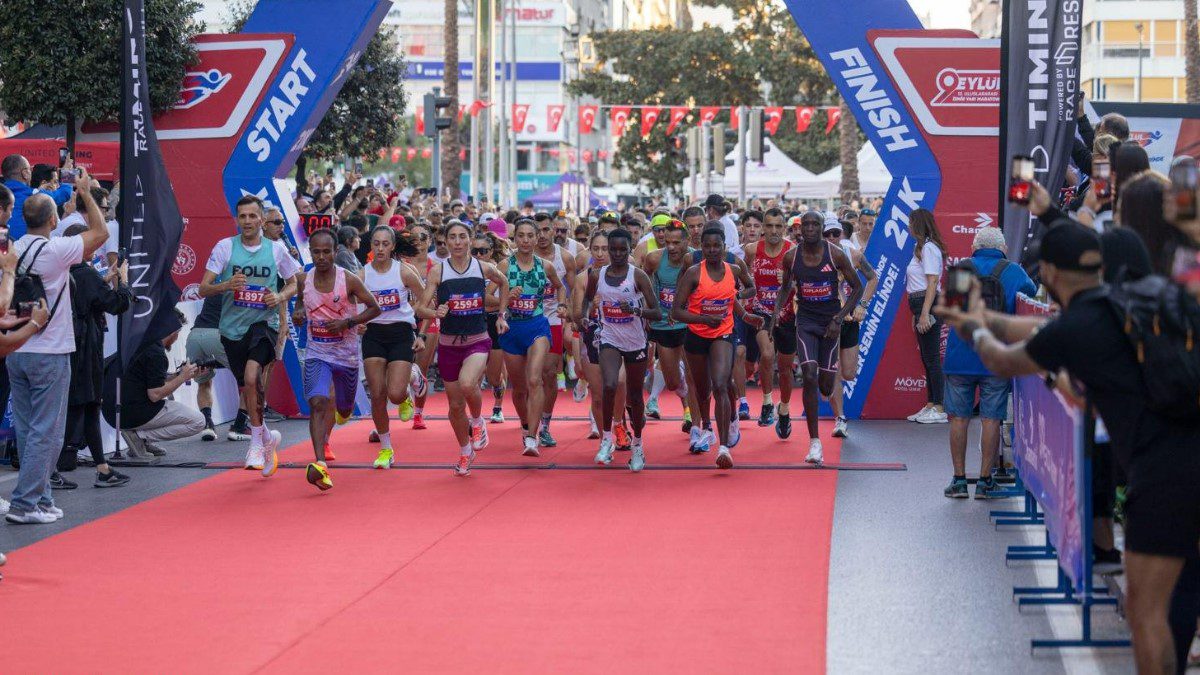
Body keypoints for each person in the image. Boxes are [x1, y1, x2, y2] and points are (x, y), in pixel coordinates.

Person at [936, 221, 1200, 675]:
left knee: (1147, 612)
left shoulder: (1078, 325)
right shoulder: (1131, 300)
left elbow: (1003, 359)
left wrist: (974, 331)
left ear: (1052, 274)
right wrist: (986, 320)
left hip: (1163, 475)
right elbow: (1030, 327)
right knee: (1185, 593)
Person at [5, 174, 106, 525]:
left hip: (16, 347)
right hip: (49, 352)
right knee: (47, 432)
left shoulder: (12, 250)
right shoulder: (56, 250)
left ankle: (42, 498)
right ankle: (24, 503)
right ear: (52, 220)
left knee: (28, 429)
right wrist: (85, 193)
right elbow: (100, 233)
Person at [198, 195, 302, 475]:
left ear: (262, 220)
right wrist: (226, 285)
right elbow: (203, 288)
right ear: (237, 219)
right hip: (232, 329)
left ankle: (255, 445)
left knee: (252, 376)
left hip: (264, 324)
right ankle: (266, 436)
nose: (247, 221)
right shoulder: (225, 247)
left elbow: (294, 283)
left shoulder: (276, 250)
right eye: (242, 216)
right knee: (247, 386)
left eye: (252, 216)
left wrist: (279, 296)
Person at [939, 227, 1035, 499]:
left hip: (960, 356)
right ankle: (984, 482)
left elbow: (952, 312)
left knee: (959, 418)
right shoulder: (1013, 271)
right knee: (991, 419)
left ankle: (959, 481)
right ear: (1003, 248)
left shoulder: (962, 268)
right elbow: (1031, 293)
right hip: (996, 357)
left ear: (974, 247)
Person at [417, 220, 509, 476]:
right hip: (449, 345)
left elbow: (504, 283)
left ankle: (478, 421)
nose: (457, 242)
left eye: (462, 237)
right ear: (446, 242)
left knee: (468, 384)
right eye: (452, 237)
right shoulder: (438, 272)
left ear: (469, 239)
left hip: (478, 340)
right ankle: (465, 451)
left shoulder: (482, 267)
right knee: (456, 406)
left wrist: (502, 315)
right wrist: (436, 312)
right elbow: (421, 308)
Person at [291, 229, 380, 490]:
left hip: (346, 357)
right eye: (316, 252)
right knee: (318, 402)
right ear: (310, 253)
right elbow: (300, 302)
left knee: (344, 407)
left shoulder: (348, 279)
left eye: (326, 252)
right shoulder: (303, 279)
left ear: (335, 251)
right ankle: (320, 464)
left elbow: (375, 308)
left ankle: (344, 412)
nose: (321, 257)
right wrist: (298, 312)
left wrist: (348, 322)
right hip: (317, 354)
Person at [770, 211, 862, 463]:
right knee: (809, 376)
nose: (810, 228)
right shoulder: (791, 257)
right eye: (806, 224)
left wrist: (839, 318)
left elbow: (857, 287)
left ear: (821, 228)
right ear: (800, 229)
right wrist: (775, 313)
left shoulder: (836, 254)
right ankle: (814, 443)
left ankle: (826, 387)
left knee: (825, 386)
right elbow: (785, 287)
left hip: (830, 323)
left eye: (815, 224)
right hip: (806, 321)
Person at [672, 227, 759, 469]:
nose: (712, 250)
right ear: (701, 248)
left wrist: (741, 302)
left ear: (724, 247)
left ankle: (724, 447)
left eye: (716, 246)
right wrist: (703, 319)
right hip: (696, 336)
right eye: (707, 246)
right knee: (703, 391)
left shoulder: (734, 270)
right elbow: (676, 311)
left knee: (720, 384)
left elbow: (750, 287)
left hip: (723, 332)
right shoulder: (693, 273)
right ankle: (707, 427)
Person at [578, 228, 661, 471]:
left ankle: (637, 445)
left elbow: (656, 312)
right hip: (609, 338)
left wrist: (635, 310)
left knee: (635, 397)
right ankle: (607, 440)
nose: (616, 254)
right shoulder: (597, 275)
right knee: (609, 385)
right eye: (612, 249)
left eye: (621, 250)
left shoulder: (638, 276)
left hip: (635, 341)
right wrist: (585, 315)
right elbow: (587, 299)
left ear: (629, 250)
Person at [62, 223, 133, 482]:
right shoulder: (85, 274)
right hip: (85, 349)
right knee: (84, 405)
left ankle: (101, 466)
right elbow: (118, 304)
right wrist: (122, 279)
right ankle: (58, 466)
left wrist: (102, 281)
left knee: (86, 405)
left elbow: (86, 296)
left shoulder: (64, 270)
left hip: (68, 346)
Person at [361, 226, 433, 468]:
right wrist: (356, 322)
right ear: (371, 245)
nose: (380, 248)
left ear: (392, 246)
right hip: (373, 335)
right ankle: (386, 449)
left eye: (385, 244)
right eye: (376, 243)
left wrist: (421, 334)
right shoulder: (362, 274)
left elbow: (427, 302)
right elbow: (351, 302)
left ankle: (414, 377)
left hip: (401, 333)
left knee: (395, 393)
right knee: (377, 394)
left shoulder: (403, 271)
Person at [497, 219, 563, 456]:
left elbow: (560, 286)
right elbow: (486, 298)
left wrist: (562, 305)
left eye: (530, 235)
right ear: (515, 239)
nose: (525, 240)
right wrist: (507, 299)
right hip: (512, 329)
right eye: (521, 236)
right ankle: (526, 426)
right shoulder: (505, 265)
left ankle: (533, 438)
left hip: (537, 326)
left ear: (536, 238)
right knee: (520, 388)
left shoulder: (545, 266)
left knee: (535, 380)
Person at [116, 310, 209, 456]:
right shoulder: (156, 353)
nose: (177, 338)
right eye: (177, 333)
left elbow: (153, 379)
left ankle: (141, 440)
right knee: (198, 421)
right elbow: (155, 394)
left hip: (116, 411)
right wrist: (182, 378)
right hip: (132, 412)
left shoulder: (140, 341)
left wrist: (180, 375)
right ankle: (140, 437)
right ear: (172, 332)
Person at [742, 207, 795, 428]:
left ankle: (784, 408)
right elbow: (743, 275)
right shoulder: (752, 249)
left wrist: (790, 280)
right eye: (770, 226)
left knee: (785, 369)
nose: (774, 231)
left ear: (784, 228)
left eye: (778, 226)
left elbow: (803, 283)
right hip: (761, 311)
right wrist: (746, 294)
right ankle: (766, 402)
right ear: (763, 227)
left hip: (786, 314)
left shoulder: (793, 252)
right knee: (766, 354)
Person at [825, 214, 878, 439]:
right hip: (827, 321)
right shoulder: (813, 255)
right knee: (835, 371)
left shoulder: (852, 254)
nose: (831, 237)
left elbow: (873, 278)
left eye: (835, 233)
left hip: (848, 321)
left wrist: (862, 306)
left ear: (841, 234)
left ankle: (826, 384)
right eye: (827, 234)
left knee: (848, 372)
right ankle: (840, 418)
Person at [573, 232, 629, 442]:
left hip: (621, 335)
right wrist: (591, 308)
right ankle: (606, 439)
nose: (600, 253)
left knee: (619, 383)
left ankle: (618, 423)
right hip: (593, 338)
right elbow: (576, 316)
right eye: (595, 249)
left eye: (604, 249)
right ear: (589, 250)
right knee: (597, 395)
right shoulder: (583, 278)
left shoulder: (628, 274)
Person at [642, 220, 695, 434]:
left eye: (676, 243)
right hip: (663, 325)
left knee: (694, 376)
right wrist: (648, 310)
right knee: (672, 383)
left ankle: (695, 422)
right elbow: (643, 282)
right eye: (667, 242)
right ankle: (681, 379)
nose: (671, 247)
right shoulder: (654, 258)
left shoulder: (696, 259)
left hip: (689, 323)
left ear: (687, 241)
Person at [533, 213, 575, 446]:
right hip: (524, 319)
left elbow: (574, 290)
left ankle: (545, 425)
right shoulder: (519, 258)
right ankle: (529, 422)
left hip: (552, 320)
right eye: (537, 230)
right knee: (528, 379)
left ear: (553, 231)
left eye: (546, 230)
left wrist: (569, 314)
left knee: (548, 373)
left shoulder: (565, 258)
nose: (541, 235)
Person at [186, 294, 252, 441]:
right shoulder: (241, 291)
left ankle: (207, 425)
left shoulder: (214, 289)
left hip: (195, 336)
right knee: (250, 380)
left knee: (204, 382)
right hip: (217, 335)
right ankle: (239, 427)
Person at [904, 209, 947, 424]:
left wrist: (924, 313)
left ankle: (939, 407)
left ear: (918, 224)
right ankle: (931, 404)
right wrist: (918, 313)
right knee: (927, 358)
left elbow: (932, 282)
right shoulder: (921, 248)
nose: (908, 226)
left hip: (926, 304)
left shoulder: (929, 248)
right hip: (920, 304)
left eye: (911, 222)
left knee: (931, 358)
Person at [473, 231, 509, 423]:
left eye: (483, 251)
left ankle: (498, 406)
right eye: (475, 251)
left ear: (491, 251)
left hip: (494, 322)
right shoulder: (466, 270)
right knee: (475, 373)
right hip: (474, 322)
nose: (479, 255)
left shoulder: (498, 269)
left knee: (494, 376)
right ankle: (475, 416)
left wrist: (495, 302)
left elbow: (500, 300)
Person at [1, 154, 75, 239]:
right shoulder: (34, 194)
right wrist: (68, 172)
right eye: (29, 170)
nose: (31, 173)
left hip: (4, 244)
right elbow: (66, 193)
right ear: (25, 173)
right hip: (26, 245)